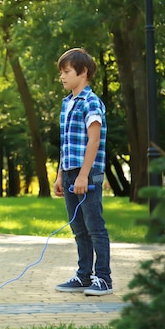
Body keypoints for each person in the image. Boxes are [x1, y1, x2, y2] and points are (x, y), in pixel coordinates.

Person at [53, 48, 113, 296]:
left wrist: (83, 175)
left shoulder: (91, 102)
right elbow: (65, 143)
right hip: (69, 171)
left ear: (83, 72)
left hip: (86, 172)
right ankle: (83, 275)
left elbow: (94, 140)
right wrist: (60, 174)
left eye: (66, 72)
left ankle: (104, 278)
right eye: (61, 73)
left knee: (94, 226)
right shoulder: (67, 102)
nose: (62, 77)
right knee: (78, 227)